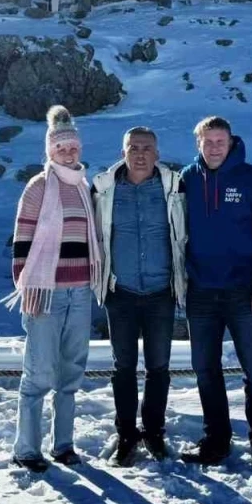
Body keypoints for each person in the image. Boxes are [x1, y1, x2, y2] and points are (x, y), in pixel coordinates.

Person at [178, 116, 252, 476]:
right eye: (207, 142)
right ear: (198, 144)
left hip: (245, 293)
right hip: (201, 292)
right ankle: (216, 441)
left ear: (231, 141)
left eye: (219, 141)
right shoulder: (186, 180)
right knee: (206, 370)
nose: (213, 148)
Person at [3, 105, 105, 472]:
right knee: (39, 372)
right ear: (49, 150)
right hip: (45, 292)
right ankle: (26, 448)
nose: (68, 152)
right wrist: (27, 285)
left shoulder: (83, 186)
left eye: (72, 147)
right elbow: (22, 241)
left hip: (80, 292)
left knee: (71, 371)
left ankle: (64, 444)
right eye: (60, 147)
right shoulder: (39, 187)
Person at [91, 126, 187, 466]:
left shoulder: (174, 187)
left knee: (159, 367)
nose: (141, 153)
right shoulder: (103, 189)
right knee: (124, 368)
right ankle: (127, 432)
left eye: (147, 147)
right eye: (134, 147)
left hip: (161, 290)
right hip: (122, 293)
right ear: (123, 152)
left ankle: (155, 431)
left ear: (157, 154)